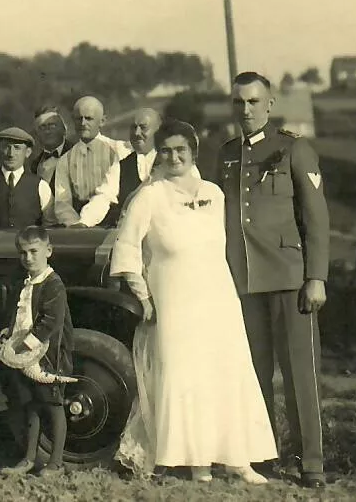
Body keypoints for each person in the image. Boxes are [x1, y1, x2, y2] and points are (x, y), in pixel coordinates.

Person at [110, 119, 277, 484]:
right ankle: (197, 461)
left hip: (216, 296)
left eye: (180, 150)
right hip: (173, 299)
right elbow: (125, 248)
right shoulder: (149, 196)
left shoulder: (215, 194)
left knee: (225, 370)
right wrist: (143, 295)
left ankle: (237, 458)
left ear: (194, 152)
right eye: (166, 150)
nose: (173, 157)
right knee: (184, 375)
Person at [215, 71, 329, 489]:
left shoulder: (294, 149)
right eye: (238, 103)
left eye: (252, 101)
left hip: (288, 278)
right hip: (243, 282)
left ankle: (310, 462)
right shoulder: (226, 154)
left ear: (269, 104)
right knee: (252, 373)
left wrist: (316, 276)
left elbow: (315, 218)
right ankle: (263, 454)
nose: (245, 110)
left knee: (300, 373)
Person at [0, 226, 75, 477]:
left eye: (34, 251)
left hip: (49, 356)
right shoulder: (25, 283)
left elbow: (50, 323)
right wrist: (8, 333)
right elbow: (19, 314)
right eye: (23, 253)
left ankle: (56, 463)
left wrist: (24, 344)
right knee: (30, 404)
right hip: (25, 357)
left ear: (48, 251)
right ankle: (29, 458)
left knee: (52, 404)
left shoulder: (53, 285)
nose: (28, 258)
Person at [54, 96, 131, 228]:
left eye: (89, 118)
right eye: (79, 119)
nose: (83, 123)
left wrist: (85, 222)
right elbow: (62, 202)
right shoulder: (65, 159)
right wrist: (75, 224)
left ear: (102, 121)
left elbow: (107, 193)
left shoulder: (119, 150)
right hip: (77, 225)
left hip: (114, 224)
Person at [0, 127, 55, 229]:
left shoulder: (40, 186)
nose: (11, 154)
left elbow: (50, 225)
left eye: (17, 148)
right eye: (6, 147)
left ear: (28, 153)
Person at [31, 106, 74, 194]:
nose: (48, 131)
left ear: (64, 129)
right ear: (36, 134)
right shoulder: (34, 165)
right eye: (42, 127)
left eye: (52, 125)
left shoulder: (78, 155)